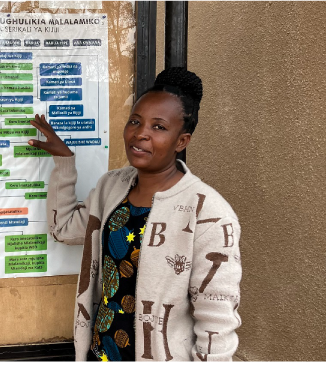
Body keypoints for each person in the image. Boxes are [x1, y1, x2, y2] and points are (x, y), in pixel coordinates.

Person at [29, 67, 241, 362]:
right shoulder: (111, 188)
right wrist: (65, 163)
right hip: (99, 356)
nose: (140, 134)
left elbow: (217, 319)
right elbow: (63, 228)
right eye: (135, 121)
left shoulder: (208, 212)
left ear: (182, 141)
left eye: (159, 127)